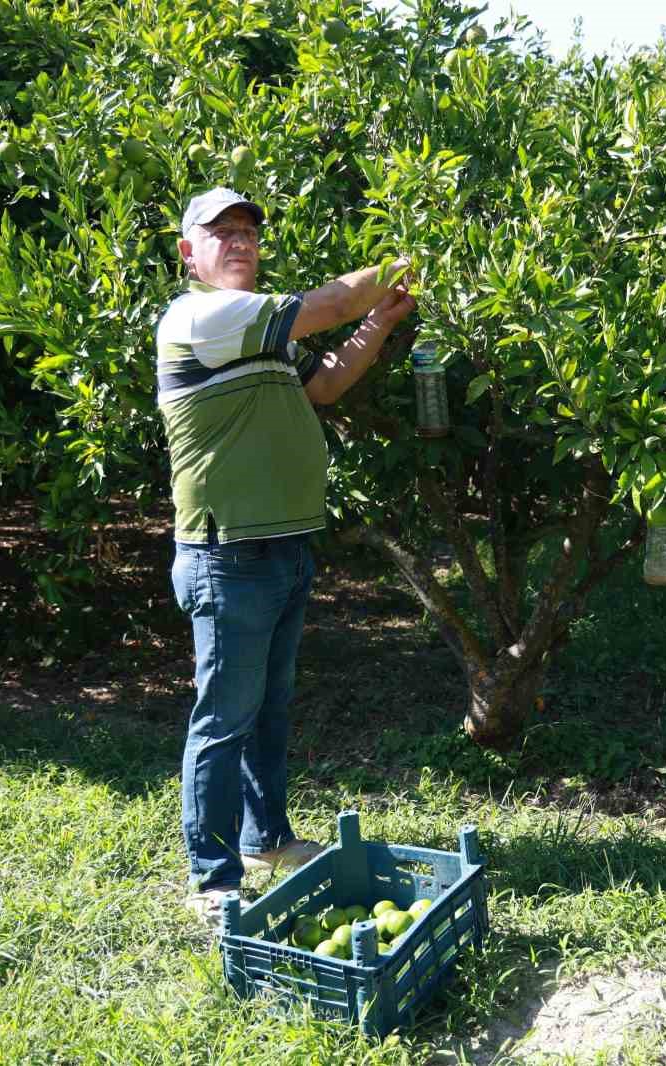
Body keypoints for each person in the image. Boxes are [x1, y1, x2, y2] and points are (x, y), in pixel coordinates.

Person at [157, 186, 414, 924]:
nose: (239, 242)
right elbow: (326, 306)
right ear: (189, 253)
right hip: (226, 555)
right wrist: (417, 253)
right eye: (221, 233)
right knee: (223, 719)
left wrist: (380, 319)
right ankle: (213, 878)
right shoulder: (202, 316)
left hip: (284, 547)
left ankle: (265, 838)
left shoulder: (260, 334)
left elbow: (327, 383)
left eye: (247, 232)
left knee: (267, 710)